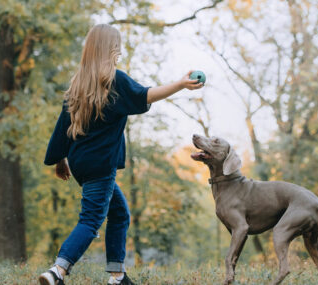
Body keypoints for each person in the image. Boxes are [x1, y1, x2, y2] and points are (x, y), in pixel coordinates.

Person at [38, 24, 204, 285]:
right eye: (118, 45)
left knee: (119, 213)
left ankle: (117, 275)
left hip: (81, 162)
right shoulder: (113, 80)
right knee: (91, 220)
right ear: (111, 49)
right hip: (101, 165)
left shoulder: (79, 83)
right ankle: (57, 271)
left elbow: (63, 126)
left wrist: (60, 158)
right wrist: (181, 84)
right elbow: (145, 95)